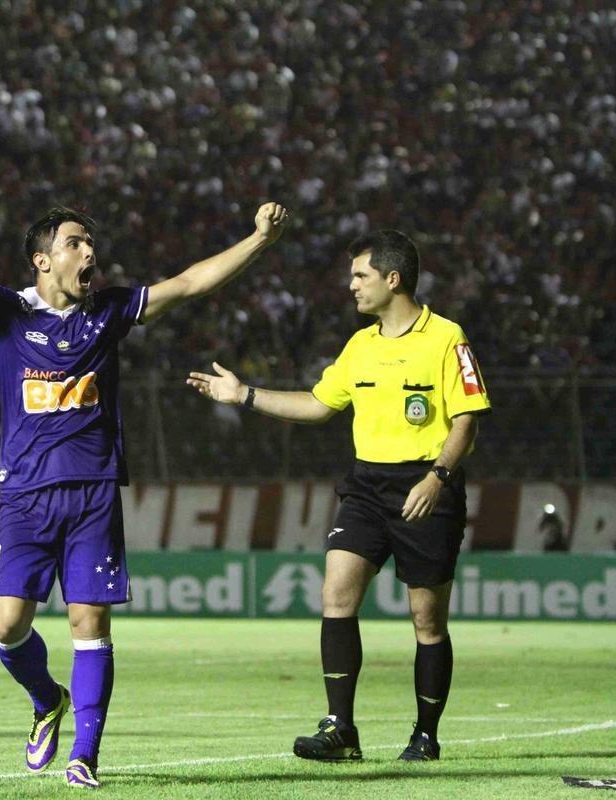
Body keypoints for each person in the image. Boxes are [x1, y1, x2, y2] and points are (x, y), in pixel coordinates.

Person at [0, 176, 287, 787]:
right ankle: (48, 700)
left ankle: (86, 754)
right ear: (43, 259)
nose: (90, 255)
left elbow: (188, 283)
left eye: (91, 245)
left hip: (92, 492)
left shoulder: (107, 310)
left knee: (90, 625)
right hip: (24, 496)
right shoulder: (6, 313)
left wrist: (258, 240)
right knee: (4, 623)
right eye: (77, 244)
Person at [187, 229, 491, 762]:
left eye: (360, 275)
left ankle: (425, 735)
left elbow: (466, 420)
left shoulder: (446, 337)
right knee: (336, 594)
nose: (350, 285)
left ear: (392, 279)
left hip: (427, 486)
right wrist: (245, 394)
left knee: (426, 621)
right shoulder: (360, 345)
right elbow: (318, 405)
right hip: (367, 487)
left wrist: (437, 477)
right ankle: (340, 729)